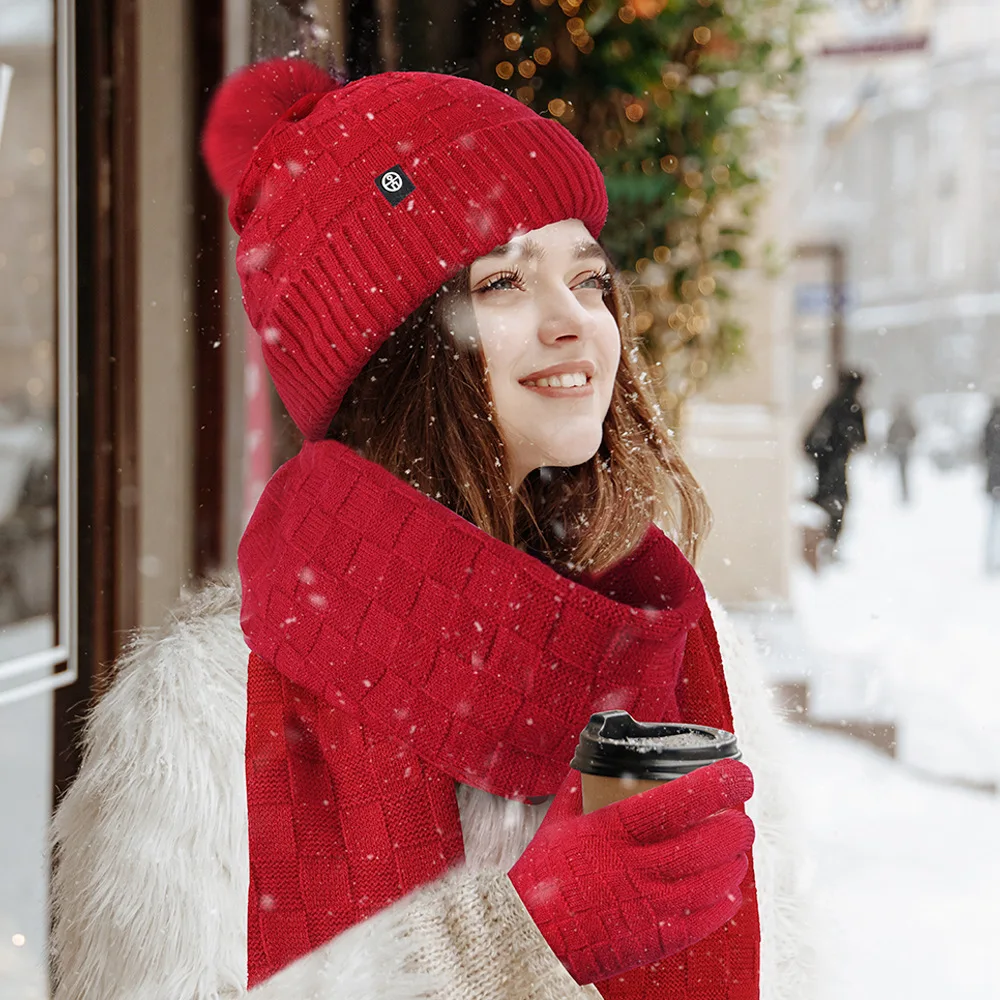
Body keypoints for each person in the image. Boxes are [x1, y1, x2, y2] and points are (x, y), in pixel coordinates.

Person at [50, 60, 812, 999]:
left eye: (590, 277)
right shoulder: (205, 711)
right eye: (501, 284)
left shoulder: (680, 650)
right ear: (389, 357)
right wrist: (509, 936)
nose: (576, 320)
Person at [803, 369, 867, 546]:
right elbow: (860, 439)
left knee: (830, 501)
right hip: (832, 463)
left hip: (827, 462)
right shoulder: (849, 406)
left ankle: (828, 542)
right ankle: (829, 542)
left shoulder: (834, 404)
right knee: (834, 502)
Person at [885, 399, 917, 504]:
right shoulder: (900, 422)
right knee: (902, 471)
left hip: (903, 449)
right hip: (900, 449)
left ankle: (905, 492)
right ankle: (904, 492)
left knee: (903, 471)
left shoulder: (903, 421)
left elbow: (913, 433)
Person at [983, 399, 1000, 574]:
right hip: (995, 481)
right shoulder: (991, 425)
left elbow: (985, 451)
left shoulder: (990, 424)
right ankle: (991, 560)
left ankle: (991, 559)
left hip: (993, 482)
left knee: (993, 523)